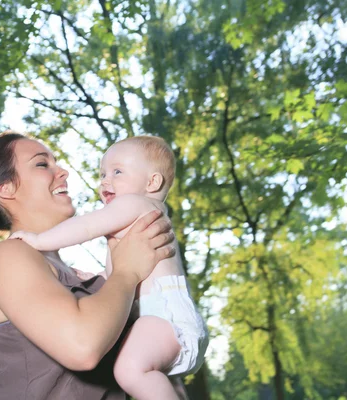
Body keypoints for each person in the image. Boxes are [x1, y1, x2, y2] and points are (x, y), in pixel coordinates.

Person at [0, 132, 177, 400]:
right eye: (42, 164)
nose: (63, 171)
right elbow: (82, 347)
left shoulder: (87, 279)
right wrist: (127, 271)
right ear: (6, 188)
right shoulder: (8, 257)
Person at [11, 136, 209, 400]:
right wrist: (97, 277)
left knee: (129, 370)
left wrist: (39, 240)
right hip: (163, 319)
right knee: (153, 378)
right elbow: (130, 272)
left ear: (152, 182)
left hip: (164, 316)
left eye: (117, 172)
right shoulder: (140, 216)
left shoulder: (136, 204)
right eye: (103, 173)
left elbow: (87, 226)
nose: (105, 180)